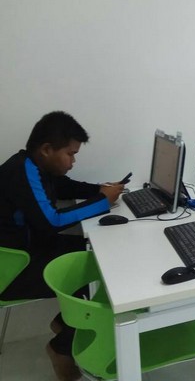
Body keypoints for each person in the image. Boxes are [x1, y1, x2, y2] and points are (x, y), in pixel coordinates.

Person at [0, 112, 125, 381]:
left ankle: (65, 325)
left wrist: (100, 190)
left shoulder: (33, 166)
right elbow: (52, 221)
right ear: (46, 149)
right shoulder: (21, 172)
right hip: (11, 270)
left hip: (27, 251)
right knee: (100, 269)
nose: (73, 161)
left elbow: (63, 187)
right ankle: (62, 348)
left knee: (94, 253)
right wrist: (102, 202)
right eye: (70, 154)